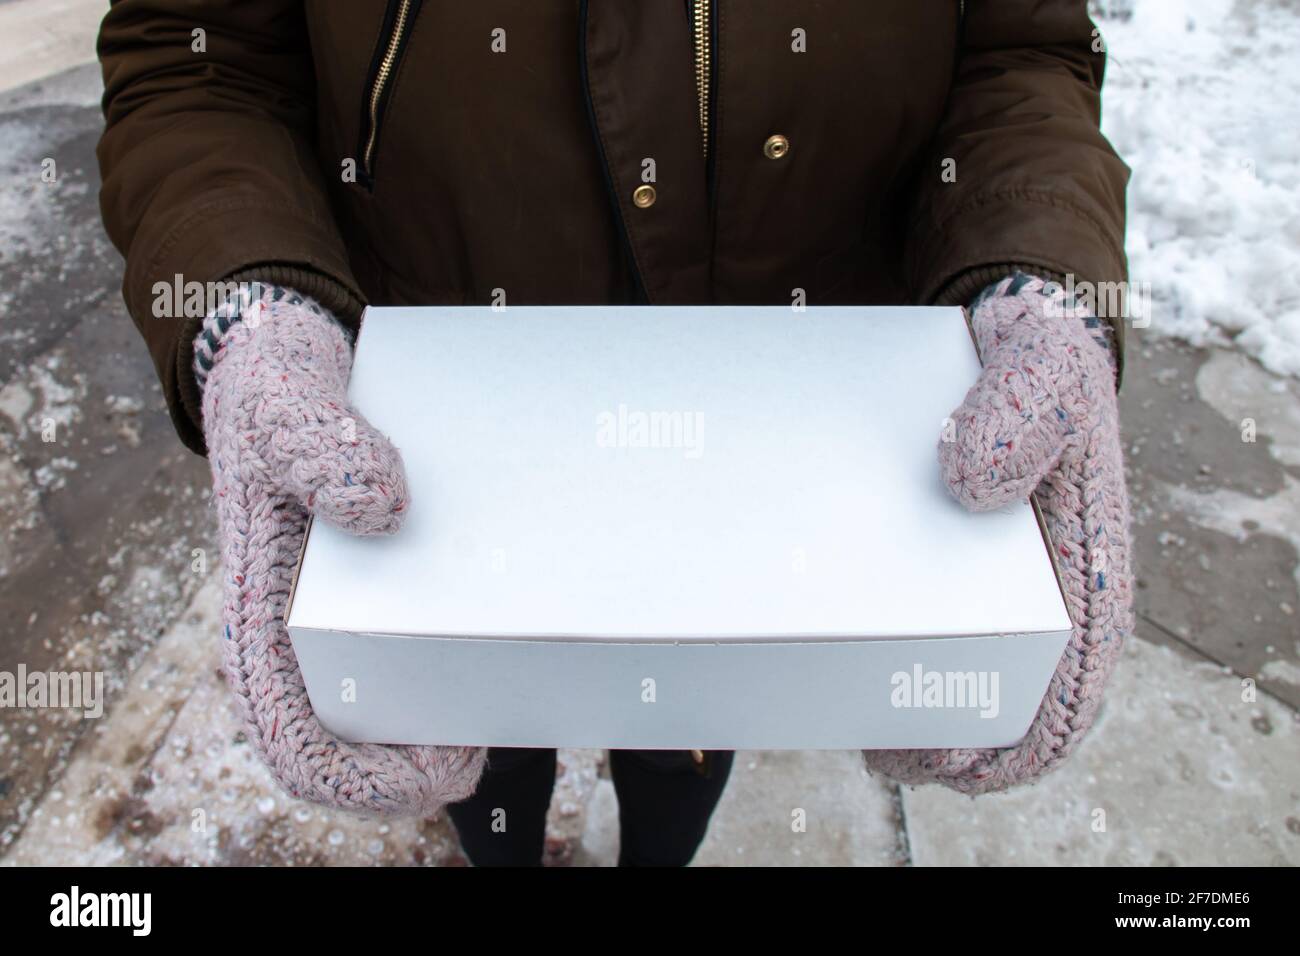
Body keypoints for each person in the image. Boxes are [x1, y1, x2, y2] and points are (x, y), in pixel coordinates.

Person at [95, 0, 1133, 865]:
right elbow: (200, 61)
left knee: (695, 713)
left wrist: (1037, 272)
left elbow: (1017, 51)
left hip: (773, 425)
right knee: (470, 732)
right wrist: (246, 307)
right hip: (444, 429)